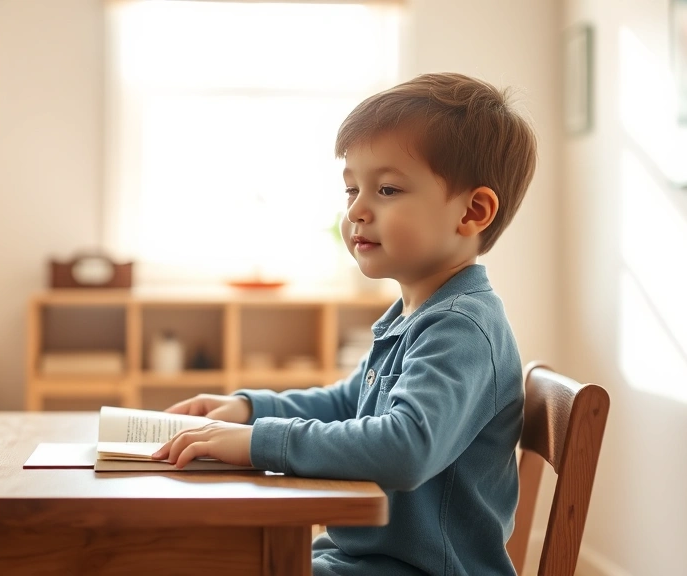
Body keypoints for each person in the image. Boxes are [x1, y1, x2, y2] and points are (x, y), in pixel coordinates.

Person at [152, 72, 538, 576]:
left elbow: (404, 447)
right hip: (366, 560)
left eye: (387, 189)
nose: (357, 209)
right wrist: (248, 409)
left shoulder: (461, 328)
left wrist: (256, 441)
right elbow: (346, 404)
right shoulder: (416, 315)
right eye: (352, 189)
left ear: (473, 211)